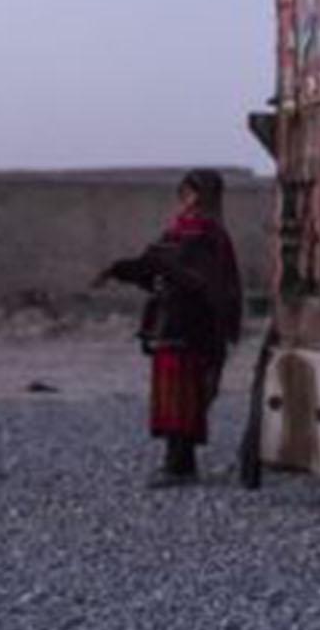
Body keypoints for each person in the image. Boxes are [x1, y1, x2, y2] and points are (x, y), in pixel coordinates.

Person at [95, 169, 244, 486]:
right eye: (184, 193)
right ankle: (176, 462)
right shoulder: (179, 230)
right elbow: (152, 268)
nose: (186, 200)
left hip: (194, 327)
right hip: (169, 324)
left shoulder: (208, 234)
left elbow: (204, 282)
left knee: (188, 395)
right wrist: (120, 270)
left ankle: (180, 466)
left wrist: (166, 268)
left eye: (191, 193)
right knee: (170, 395)